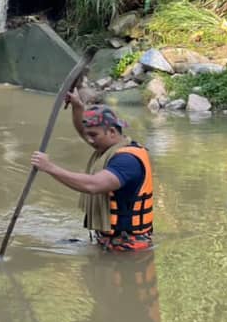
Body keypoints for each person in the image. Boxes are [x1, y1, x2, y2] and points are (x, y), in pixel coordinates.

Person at [30, 91, 154, 251]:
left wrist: (50, 168)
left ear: (112, 132)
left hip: (129, 247)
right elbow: (84, 130)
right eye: (88, 135)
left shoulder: (127, 160)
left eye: (94, 135)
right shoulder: (109, 148)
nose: (88, 140)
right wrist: (77, 106)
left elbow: (93, 185)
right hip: (109, 240)